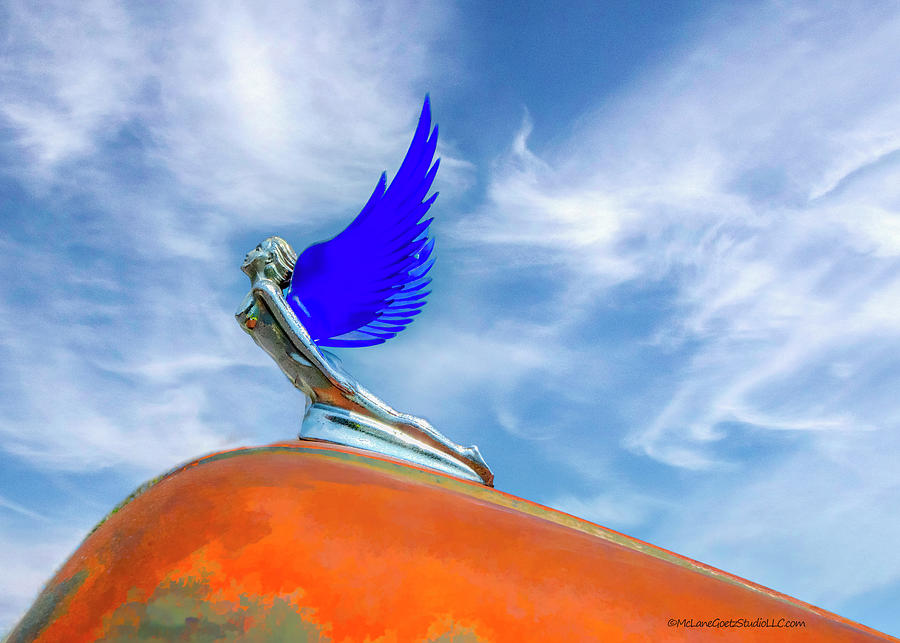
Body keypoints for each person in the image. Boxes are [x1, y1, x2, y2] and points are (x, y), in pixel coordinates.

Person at [236, 237, 493, 486]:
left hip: (324, 379)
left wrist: (331, 378)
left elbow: (297, 338)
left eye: (258, 248)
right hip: (310, 384)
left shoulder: (265, 291)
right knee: (386, 421)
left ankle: (463, 456)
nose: (250, 252)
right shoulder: (259, 293)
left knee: (392, 419)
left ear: (269, 259)